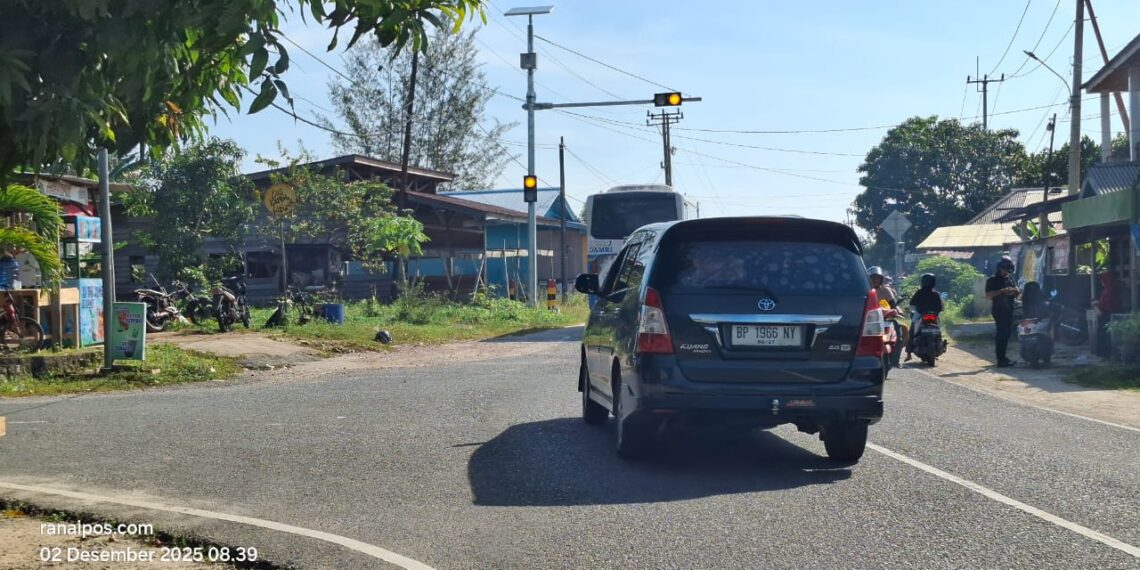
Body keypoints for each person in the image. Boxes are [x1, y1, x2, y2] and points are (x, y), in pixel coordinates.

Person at [985, 258, 1019, 367]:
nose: (1006, 273)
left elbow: (1016, 290)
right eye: (1005, 270)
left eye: (1008, 271)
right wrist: (1002, 291)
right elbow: (989, 295)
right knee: (1002, 334)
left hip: (1009, 309)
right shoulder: (992, 280)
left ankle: (1003, 357)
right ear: (1000, 269)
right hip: (999, 310)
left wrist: (1015, 291)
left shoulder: (1009, 278)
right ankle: (1001, 359)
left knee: (1007, 334)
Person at [906, 273, 944, 361]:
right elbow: (941, 307)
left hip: (920, 314)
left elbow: (912, 304)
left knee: (912, 330)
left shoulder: (919, 292)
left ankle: (908, 353)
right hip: (934, 315)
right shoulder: (936, 294)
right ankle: (939, 344)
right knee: (939, 330)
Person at [1093, 270, 1121, 357]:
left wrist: (1095, 305)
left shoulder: (1107, 292)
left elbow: (1103, 308)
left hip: (1106, 316)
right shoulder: (1111, 289)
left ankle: (1105, 354)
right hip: (1109, 315)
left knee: (1104, 336)